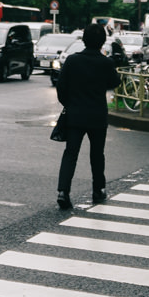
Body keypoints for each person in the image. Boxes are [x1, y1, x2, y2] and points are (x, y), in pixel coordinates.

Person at [53, 23, 119, 210]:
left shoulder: (73, 60)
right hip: (97, 115)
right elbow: (114, 82)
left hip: (74, 115)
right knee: (97, 155)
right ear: (103, 41)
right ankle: (98, 190)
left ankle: (63, 192)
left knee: (70, 153)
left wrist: (69, 104)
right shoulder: (106, 63)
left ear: (83, 39)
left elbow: (61, 87)